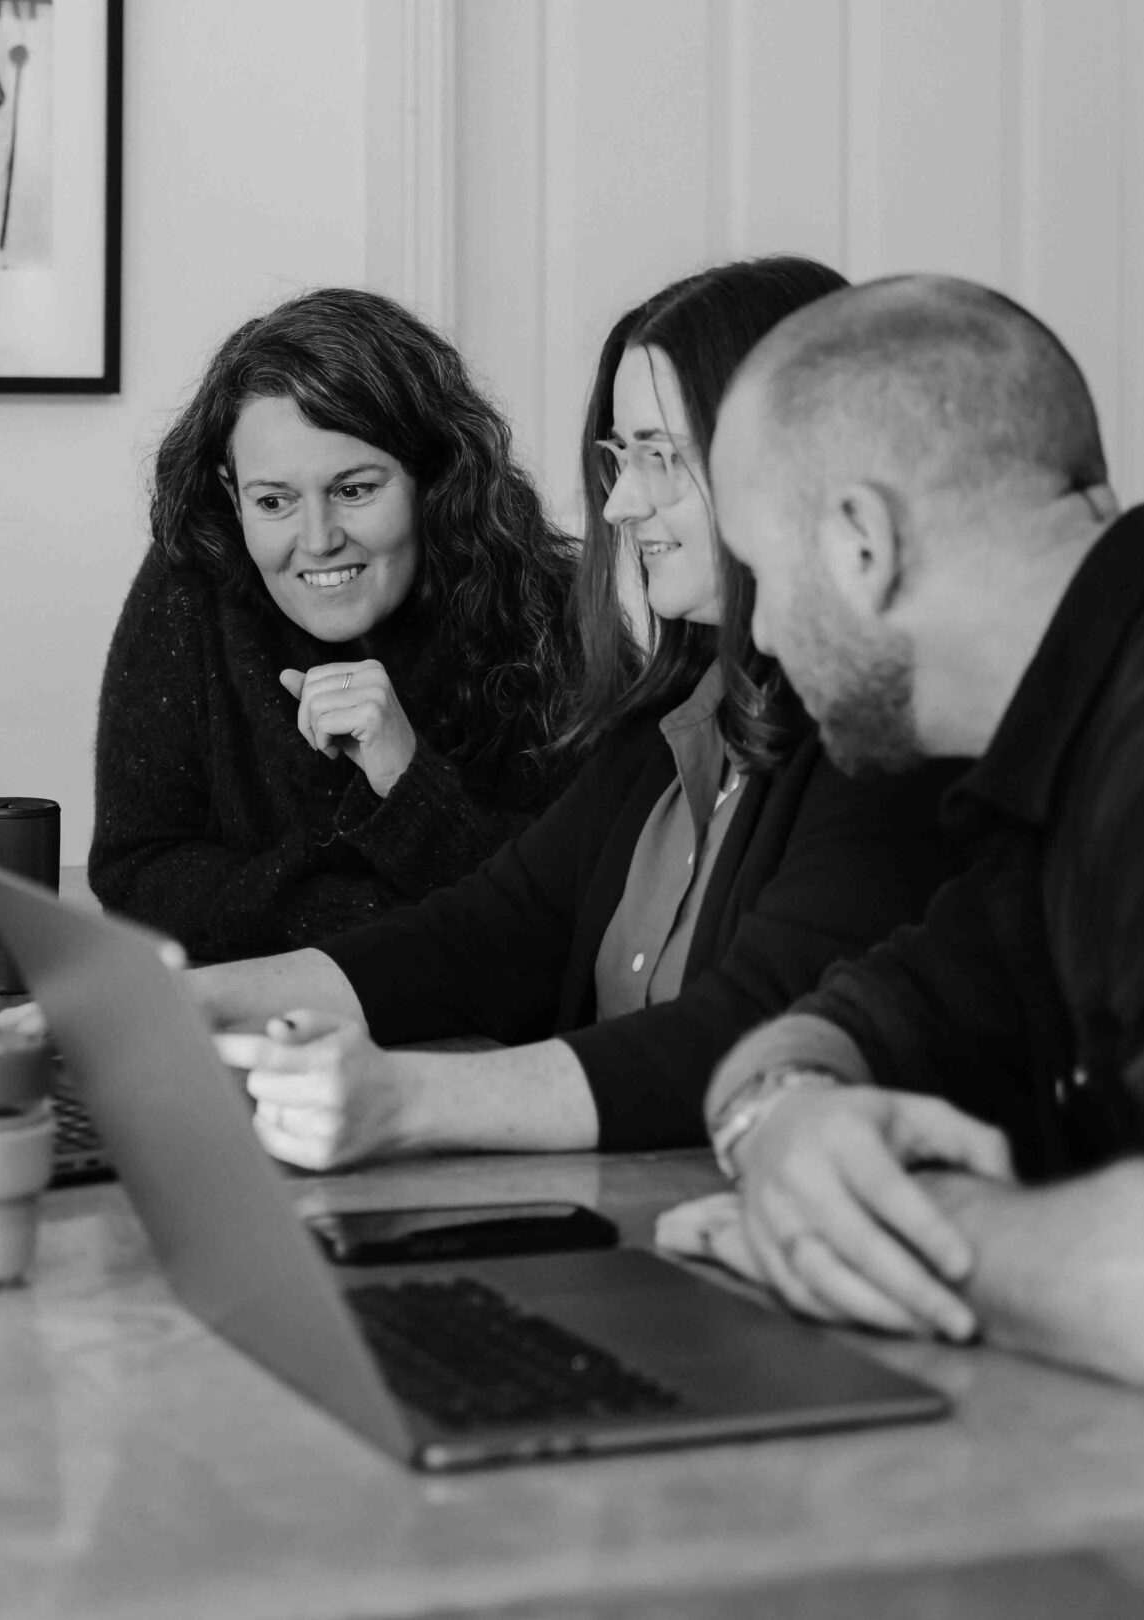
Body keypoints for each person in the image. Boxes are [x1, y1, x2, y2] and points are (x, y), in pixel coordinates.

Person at [189, 258, 962, 1172]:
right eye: (618, 458)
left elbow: (748, 1035)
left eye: (662, 457)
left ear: (796, 461)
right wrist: (177, 1006)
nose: (624, 503)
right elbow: (480, 937)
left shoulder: (895, 750)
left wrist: (404, 1102)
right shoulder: (669, 722)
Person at [689, 274, 1144, 1392]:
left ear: (860, 541)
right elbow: (852, 1018)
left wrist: (884, 1228)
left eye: (757, 573)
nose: (754, 630)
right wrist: (786, 1123)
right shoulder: (1050, 756)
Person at [87, 287, 583, 963]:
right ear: (233, 494)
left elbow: (571, 912)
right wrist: (397, 926)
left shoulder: (547, 606)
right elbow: (136, 870)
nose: (317, 540)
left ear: (433, 479)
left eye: (354, 490)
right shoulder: (192, 579)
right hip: (256, 1028)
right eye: (274, 500)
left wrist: (406, 778)